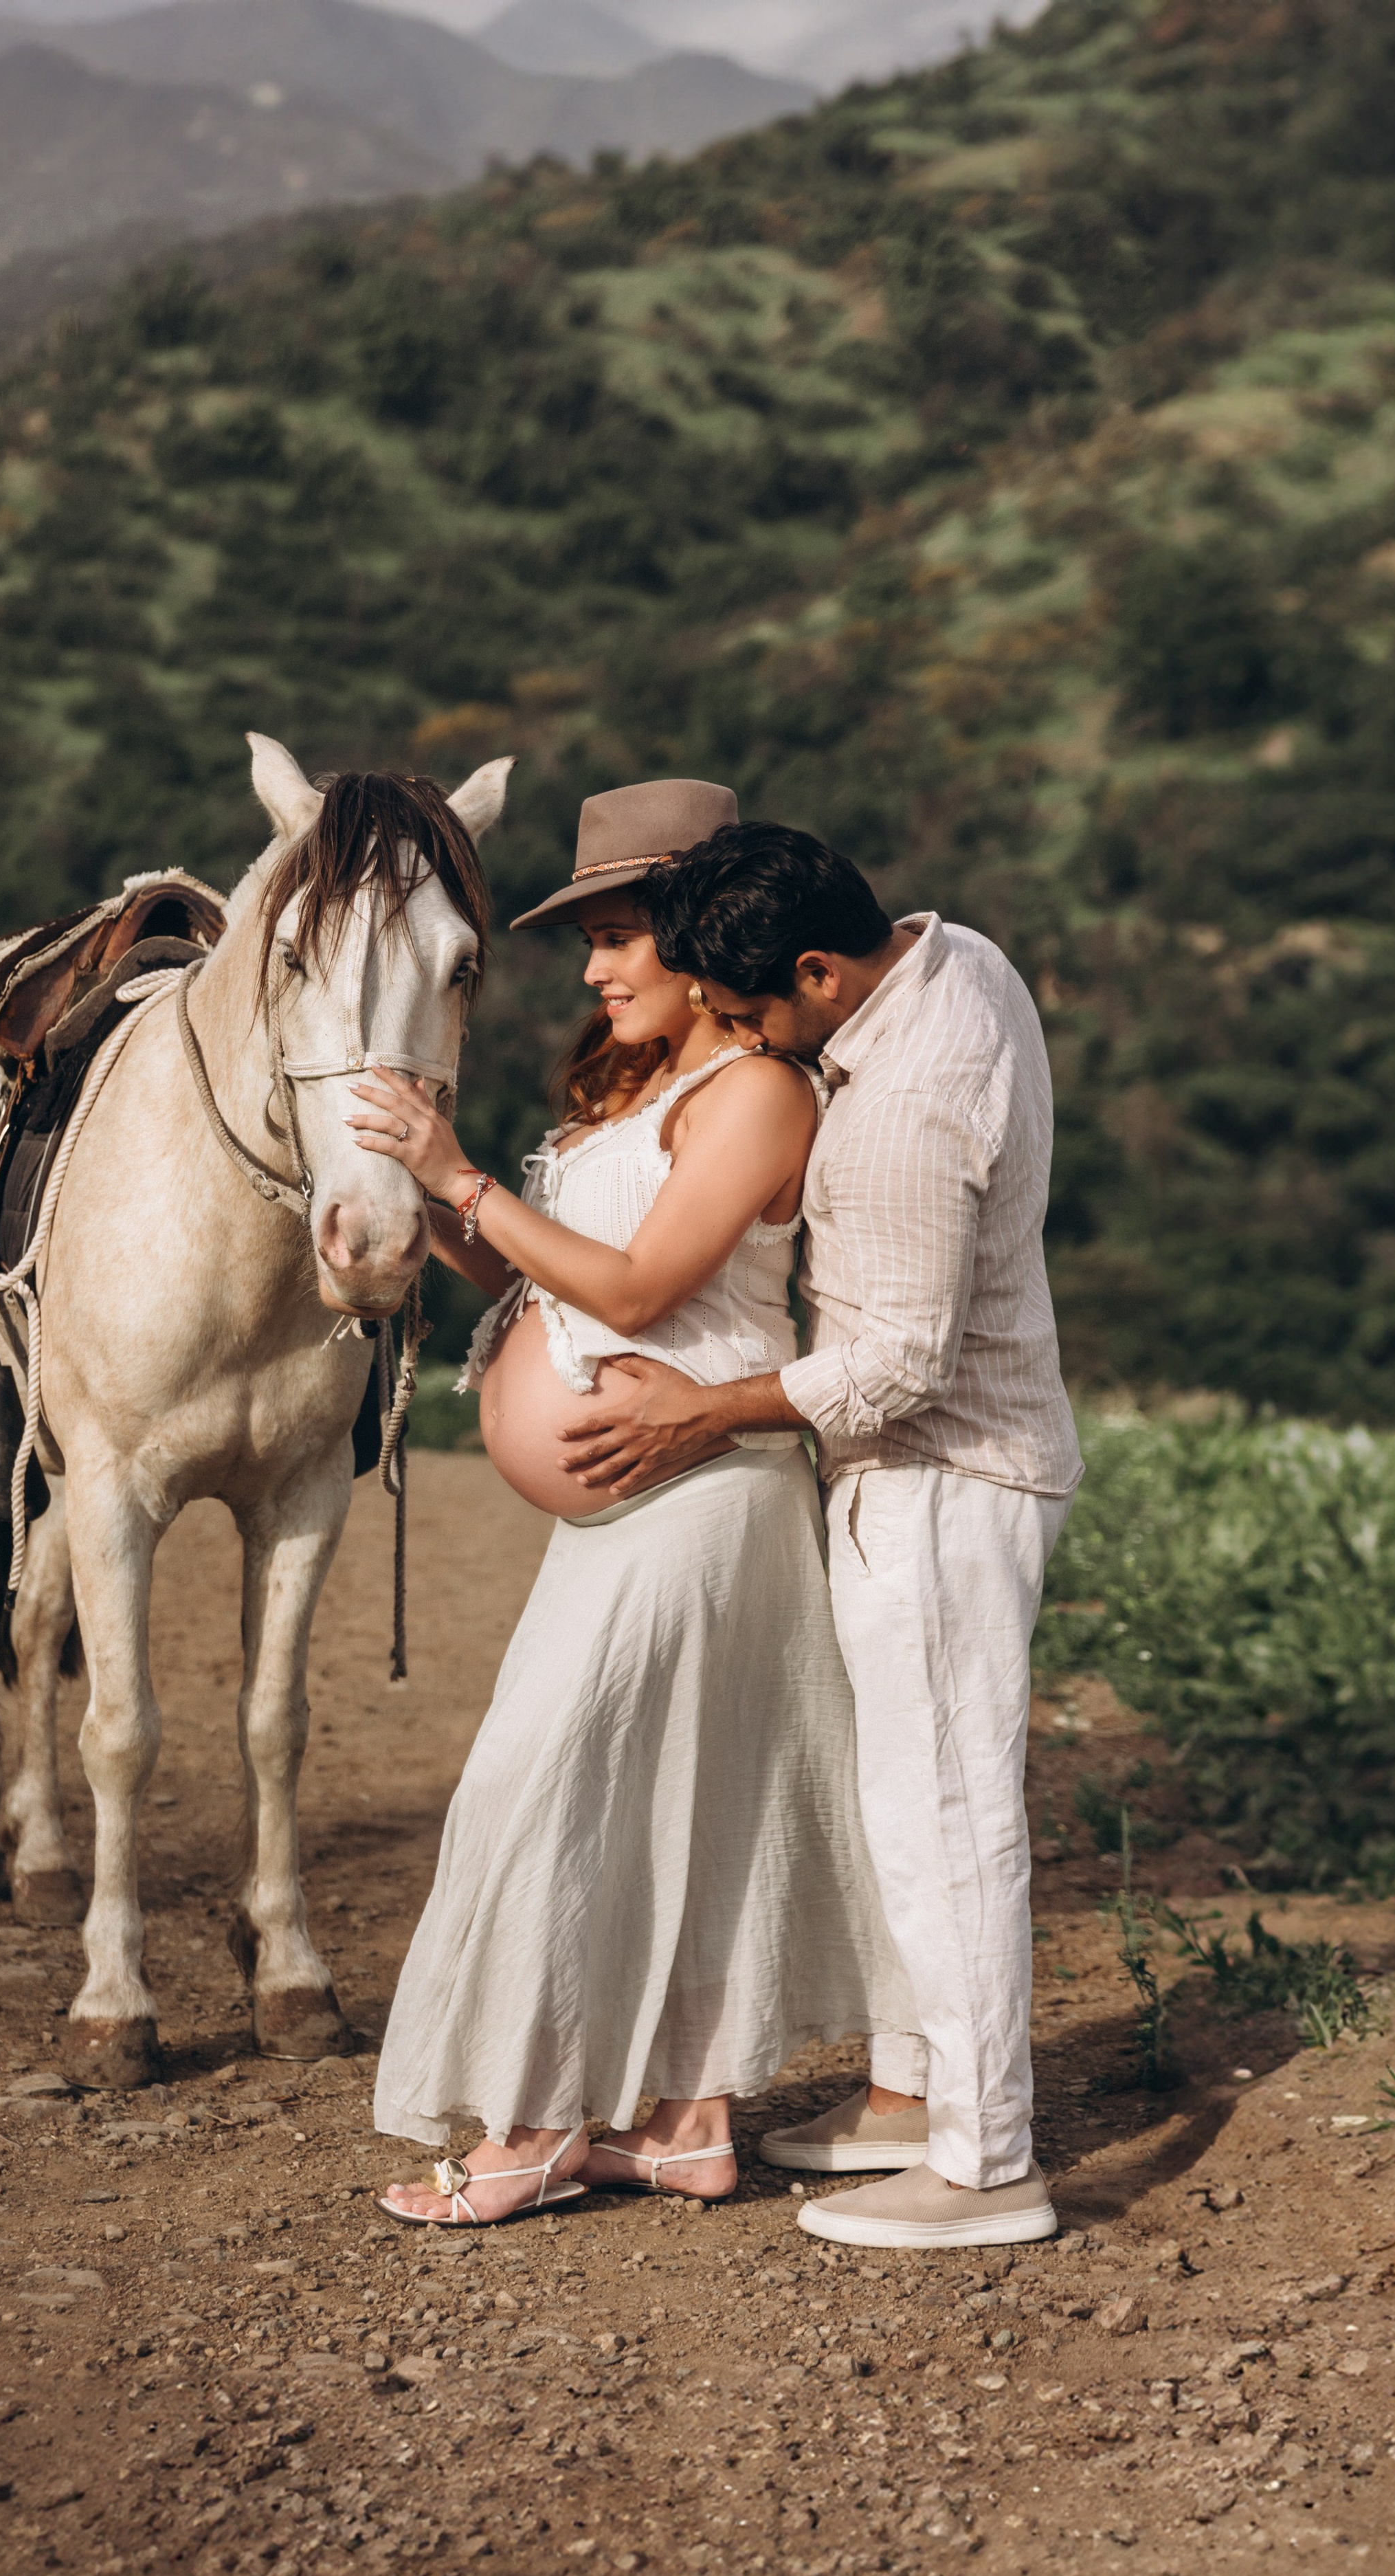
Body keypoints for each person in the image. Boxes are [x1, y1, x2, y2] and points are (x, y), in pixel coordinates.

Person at [346, 781, 920, 2225]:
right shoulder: (638, 1087)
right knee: (667, 1803)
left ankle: (537, 2129)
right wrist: (424, 1205)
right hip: (624, 1515)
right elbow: (553, 1282)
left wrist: (462, 1175)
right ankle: (683, 2124)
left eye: (616, 937)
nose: (594, 971)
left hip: (704, 1494)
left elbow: (644, 1291)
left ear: (692, 934)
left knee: (545, 1785)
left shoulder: (758, 1094)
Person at [555, 822, 1084, 2252]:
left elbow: (897, 1369)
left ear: (818, 972)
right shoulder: (956, 955)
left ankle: (988, 2164)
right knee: (908, 1799)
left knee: (944, 1820)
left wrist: (701, 1411)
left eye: (748, 1017)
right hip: (950, 1470)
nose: (741, 1044)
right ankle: (917, 2095)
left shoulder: (905, 1104)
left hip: (937, 1480)